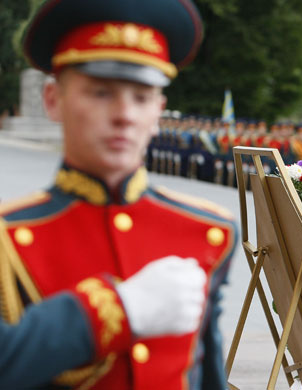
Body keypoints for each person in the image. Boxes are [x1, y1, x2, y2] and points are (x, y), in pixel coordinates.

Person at [0, 0, 237, 389]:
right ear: (53, 100)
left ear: (158, 110)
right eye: (101, 93)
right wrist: (114, 311)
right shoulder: (8, 237)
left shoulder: (209, 230)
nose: (125, 114)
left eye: (142, 97)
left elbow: (206, 377)